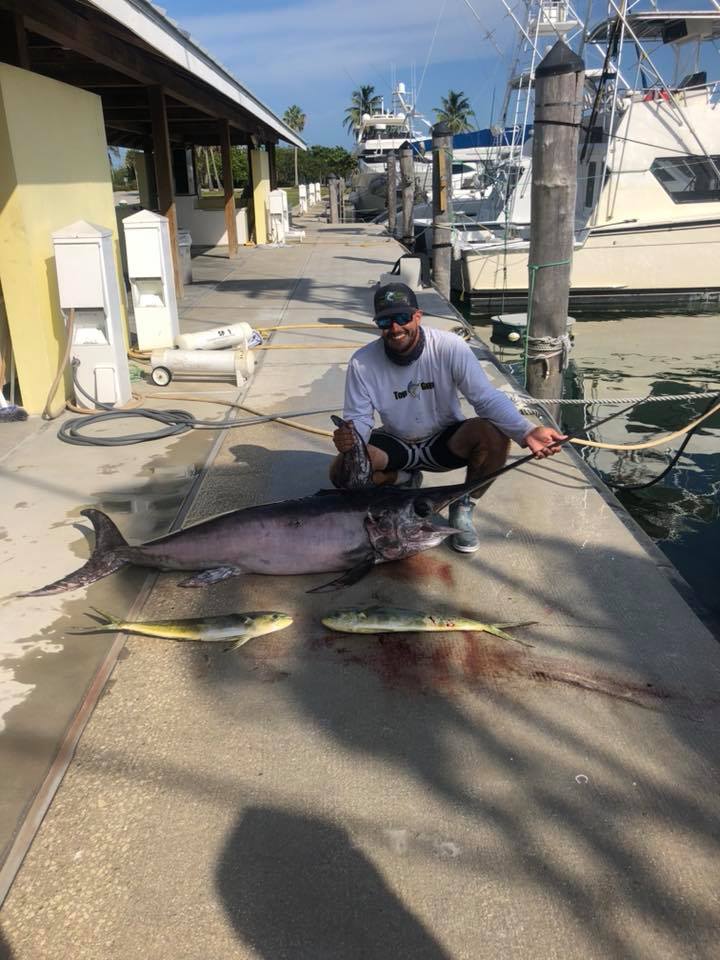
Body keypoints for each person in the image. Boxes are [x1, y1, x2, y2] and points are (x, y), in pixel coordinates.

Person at [330, 282, 565, 553]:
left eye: (402, 318)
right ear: (378, 324)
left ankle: (464, 506)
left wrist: (526, 431)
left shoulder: (450, 347)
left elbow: (485, 398)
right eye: (385, 321)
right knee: (341, 471)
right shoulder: (362, 362)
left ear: (417, 316)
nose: (395, 328)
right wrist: (350, 439)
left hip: (444, 442)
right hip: (397, 442)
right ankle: (403, 479)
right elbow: (359, 418)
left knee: (493, 435)